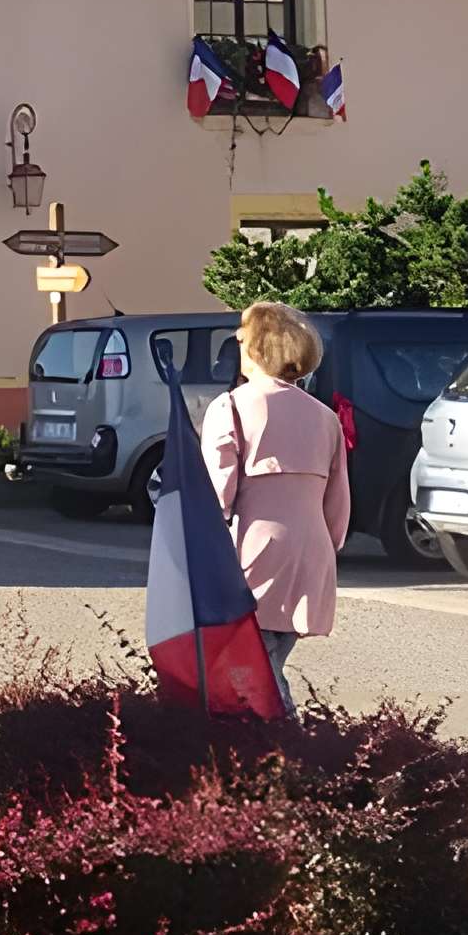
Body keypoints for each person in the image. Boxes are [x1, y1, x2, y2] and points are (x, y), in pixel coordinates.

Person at [202, 301, 352, 702]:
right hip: (312, 554)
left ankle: (282, 751)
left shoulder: (230, 406)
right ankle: (283, 748)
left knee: (248, 677)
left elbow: (217, 493)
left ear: (255, 348)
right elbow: (337, 505)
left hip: (254, 552)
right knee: (268, 661)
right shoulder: (325, 417)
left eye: (240, 339)